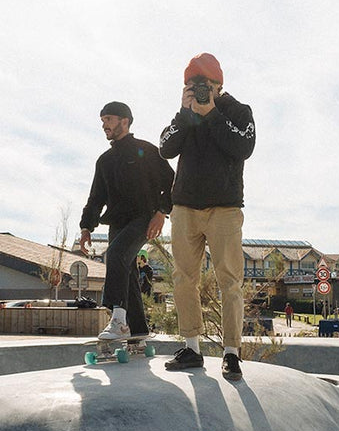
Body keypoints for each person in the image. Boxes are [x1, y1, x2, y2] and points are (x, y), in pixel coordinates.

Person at [160, 53, 256, 381]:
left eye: (204, 85)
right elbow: (165, 148)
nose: (199, 90)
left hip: (225, 209)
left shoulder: (238, 111)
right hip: (185, 206)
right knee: (183, 278)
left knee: (230, 281)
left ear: (219, 85)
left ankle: (231, 353)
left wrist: (212, 113)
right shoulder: (185, 114)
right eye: (192, 85)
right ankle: (191, 349)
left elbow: (242, 147)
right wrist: (185, 114)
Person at [79, 101, 174, 348]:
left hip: (144, 217)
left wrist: (162, 212)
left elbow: (172, 182)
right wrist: (86, 227)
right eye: (102, 121)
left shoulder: (147, 150)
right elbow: (96, 197)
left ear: (125, 121)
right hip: (118, 223)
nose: (104, 125)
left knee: (117, 253)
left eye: (108, 120)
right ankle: (138, 334)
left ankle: (119, 319)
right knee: (127, 271)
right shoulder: (105, 161)